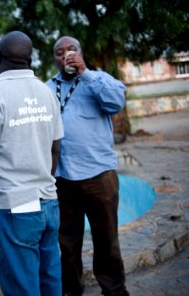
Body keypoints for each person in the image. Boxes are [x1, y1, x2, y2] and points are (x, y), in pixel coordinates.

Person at [0, 31, 64, 296]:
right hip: (49, 203)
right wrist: (43, 182)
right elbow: (55, 148)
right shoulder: (47, 93)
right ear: (29, 59)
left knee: (22, 286)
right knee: (50, 280)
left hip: (15, 207)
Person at [45, 36, 129, 296]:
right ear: (54, 59)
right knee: (67, 242)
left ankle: (114, 289)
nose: (66, 56)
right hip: (62, 178)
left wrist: (86, 74)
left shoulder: (100, 79)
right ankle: (72, 289)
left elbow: (116, 103)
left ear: (81, 54)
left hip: (98, 175)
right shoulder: (47, 88)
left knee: (106, 239)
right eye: (60, 53)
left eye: (71, 51)